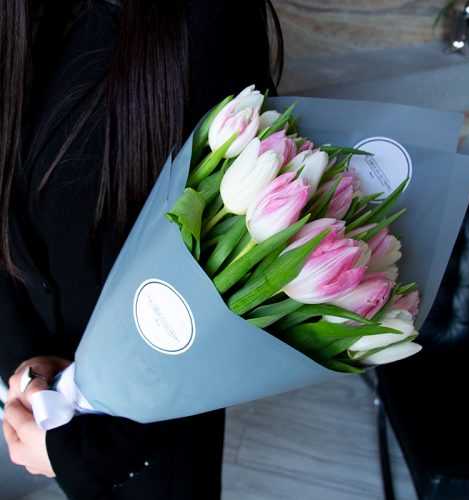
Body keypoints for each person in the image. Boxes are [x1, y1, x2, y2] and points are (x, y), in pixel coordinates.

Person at [0, 1, 283, 498]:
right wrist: (26, 368)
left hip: (149, 431)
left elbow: (238, 267)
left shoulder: (203, 23)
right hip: (46, 399)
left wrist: (89, 452)